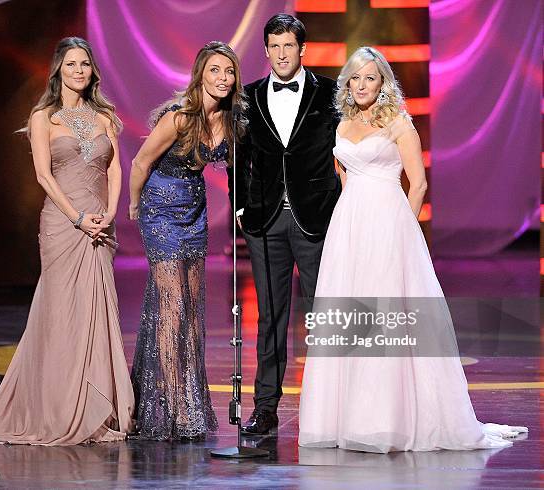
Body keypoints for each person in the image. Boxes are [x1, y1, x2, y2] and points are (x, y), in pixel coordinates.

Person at [298, 46, 527, 452]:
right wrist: (349, 220)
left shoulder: (400, 124)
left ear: (382, 81)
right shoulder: (343, 125)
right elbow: (346, 176)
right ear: (347, 83)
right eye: (356, 77)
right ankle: (345, 419)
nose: (363, 84)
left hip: (390, 222)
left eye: (371, 77)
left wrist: (400, 229)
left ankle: (389, 421)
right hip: (349, 227)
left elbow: (417, 183)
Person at [0, 37, 135, 445]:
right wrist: (79, 217)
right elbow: (44, 176)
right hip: (64, 225)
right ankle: (57, 409)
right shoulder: (44, 116)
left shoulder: (105, 117)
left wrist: (110, 213)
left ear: (92, 71)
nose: (79, 71)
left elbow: (116, 169)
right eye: (71, 64)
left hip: (100, 224)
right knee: (60, 313)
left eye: (85, 64)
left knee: (96, 312)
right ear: (58, 70)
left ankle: (94, 413)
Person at [227, 14, 340, 435]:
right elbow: (238, 159)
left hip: (316, 218)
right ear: (266, 50)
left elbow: (345, 150)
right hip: (265, 219)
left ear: (302, 49)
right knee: (270, 317)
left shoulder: (329, 93)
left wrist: (344, 208)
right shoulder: (249, 97)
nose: (280, 54)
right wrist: (239, 207)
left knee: (322, 312)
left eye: (288, 46)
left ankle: (330, 405)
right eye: (273, 46)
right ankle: (266, 406)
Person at [128, 41, 246, 440]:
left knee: (192, 311)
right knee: (172, 307)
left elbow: (239, 171)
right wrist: (133, 206)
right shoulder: (179, 118)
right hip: (160, 210)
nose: (222, 78)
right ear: (200, 75)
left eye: (228, 71)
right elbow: (141, 161)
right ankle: (176, 405)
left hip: (194, 214)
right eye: (215, 70)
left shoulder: (230, 122)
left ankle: (191, 401)